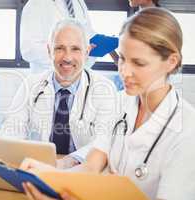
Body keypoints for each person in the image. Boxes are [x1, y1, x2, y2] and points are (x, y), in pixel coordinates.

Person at [20, 7, 195, 200]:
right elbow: (91, 167)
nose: (124, 72)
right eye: (122, 59)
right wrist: (47, 175)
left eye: (138, 63)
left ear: (171, 61)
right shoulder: (121, 101)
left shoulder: (187, 131)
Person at [0, 19, 117, 168]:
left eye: (75, 49)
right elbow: (10, 130)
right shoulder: (31, 85)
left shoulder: (104, 89)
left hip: (83, 170)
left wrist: (68, 162)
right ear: (49, 51)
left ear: (87, 52)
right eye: (60, 48)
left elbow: (105, 141)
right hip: (39, 169)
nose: (67, 58)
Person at [20, 0, 96, 73]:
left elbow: (87, 33)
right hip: (47, 78)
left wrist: (105, 45)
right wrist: (66, 56)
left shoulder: (78, 2)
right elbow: (28, 49)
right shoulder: (35, 3)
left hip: (78, 76)